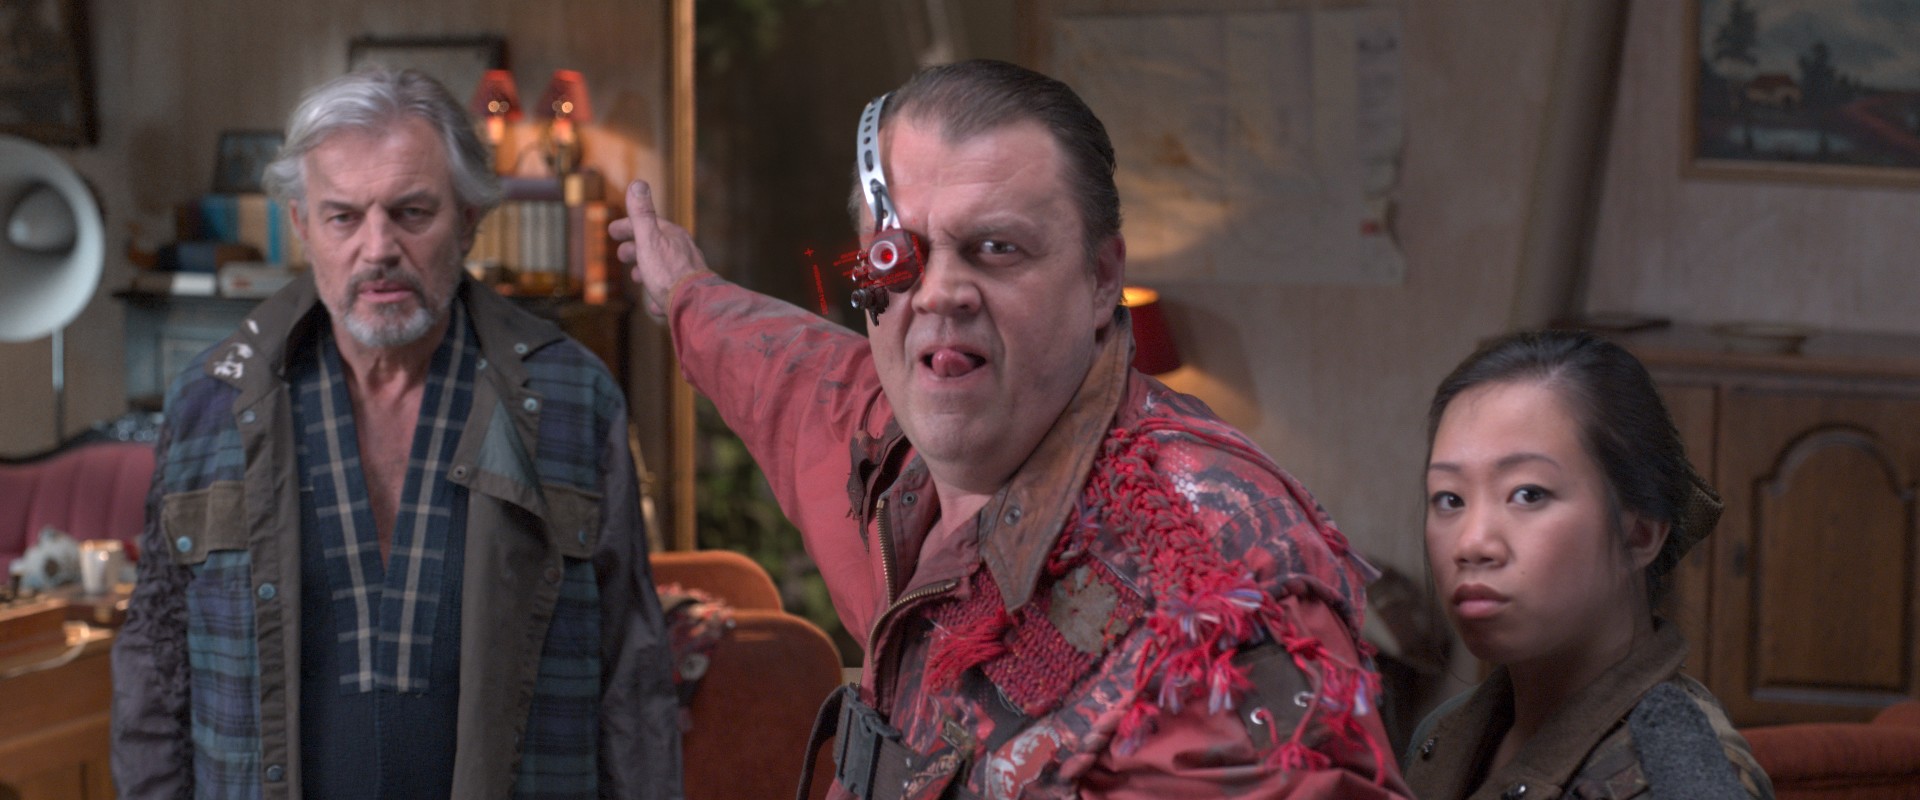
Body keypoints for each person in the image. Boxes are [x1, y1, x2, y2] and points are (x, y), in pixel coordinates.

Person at [614, 59, 1409, 798]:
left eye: (996, 248)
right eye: (900, 255)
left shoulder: (1213, 583)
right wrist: (683, 290)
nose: (939, 293)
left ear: (1101, 279)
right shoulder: (887, 449)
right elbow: (785, 374)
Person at [110, 68, 681, 800]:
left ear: (468, 219)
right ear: (301, 225)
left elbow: (631, 674)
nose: (377, 248)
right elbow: (155, 664)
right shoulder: (209, 401)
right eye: (343, 217)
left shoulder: (574, 397)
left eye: (412, 213)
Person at [1406, 330, 1772, 799]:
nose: (1471, 543)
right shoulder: (1442, 736)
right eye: (1450, 499)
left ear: (1639, 534)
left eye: (1528, 494)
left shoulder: (1678, 780)